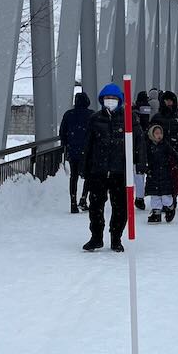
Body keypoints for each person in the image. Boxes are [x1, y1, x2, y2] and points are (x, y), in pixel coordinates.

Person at [81, 83, 129, 253]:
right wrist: (85, 167)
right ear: (102, 100)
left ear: (120, 101)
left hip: (119, 171)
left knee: (120, 206)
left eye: (114, 99)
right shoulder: (95, 119)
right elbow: (88, 145)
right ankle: (96, 238)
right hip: (98, 170)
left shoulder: (128, 119)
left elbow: (137, 142)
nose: (110, 101)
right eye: (107, 99)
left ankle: (116, 238)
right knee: (95, 205)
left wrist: (139, 164)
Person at [58, 91, 91, 214]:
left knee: (74, 176)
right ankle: (83, 198)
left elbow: (62, 132)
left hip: (73, 150)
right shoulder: (91, 115)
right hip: (87, 151)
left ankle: (73, 202)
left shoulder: (68, 115)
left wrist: (66, 144)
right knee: (88, 175)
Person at [143, 118, 178, 223]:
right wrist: (146, 169)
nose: (159, 135)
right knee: (155, 196)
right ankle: (156, 213)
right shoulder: (148, 147)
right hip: (153, 174)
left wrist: (175, 166)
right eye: (156, 133)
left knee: (166, 196)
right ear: (151, 135)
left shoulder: (165, 145)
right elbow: (144, 159)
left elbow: (174, 156)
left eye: (160, 133)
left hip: (165, 174)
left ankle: (170, 207)